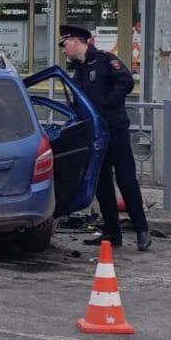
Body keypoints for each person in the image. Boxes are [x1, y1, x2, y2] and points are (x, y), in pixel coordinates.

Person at [59, 24, 153, 252]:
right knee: (101, 184)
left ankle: (142, 230)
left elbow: (126, 81)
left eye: (64, 44)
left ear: (77, 41)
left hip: (115, 132)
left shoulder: (104, 61)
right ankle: (112, 232)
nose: (63, 50)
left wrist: (108, 104)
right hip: (95, 136)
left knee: (126, 180)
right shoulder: (78, 70)